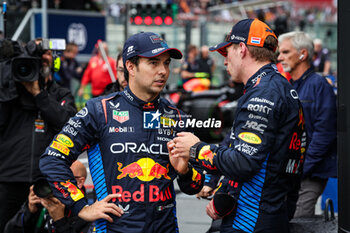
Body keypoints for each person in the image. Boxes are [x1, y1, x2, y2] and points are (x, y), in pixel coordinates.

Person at [40, 32, 204, 233]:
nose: (163, 71)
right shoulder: (99, 111)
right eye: (154, 63)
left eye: (167, 63)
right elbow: (53, 158)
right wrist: (81, 206)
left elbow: (194, 186)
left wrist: (185, 172)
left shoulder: (178, 117)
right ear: (131, 67)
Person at [168, 18, 307, 233]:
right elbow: (256, 158)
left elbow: (243, 162)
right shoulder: (277, 86)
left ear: (241, 49)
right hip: (268, 211)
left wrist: (196, 149)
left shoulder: (264, 93)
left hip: (251, 220)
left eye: (226, 52)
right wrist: (225, 193)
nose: (224, 61)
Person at [0, 38, 77, 232]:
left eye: (48, 53)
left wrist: (38, 94)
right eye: (37, 55)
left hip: (46, 183)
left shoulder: (61, 94)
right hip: (9, 181)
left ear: (55, 61)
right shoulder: (10, 91)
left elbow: (69, 124)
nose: (43, 57)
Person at [278, 31, 337, 218]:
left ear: (303, 54)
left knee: (299, 224)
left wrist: (301, 169)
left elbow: (324, 134)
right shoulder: (291, 86)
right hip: (291, 172)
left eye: (286, 52)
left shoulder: (319, 85)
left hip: (309, 173)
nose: (280, 58)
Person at [4, 161, 92, 233]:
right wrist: (29, 211)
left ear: (80, 182)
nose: (56, 184)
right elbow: (9, 230)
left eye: (62, 178)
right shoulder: (44, 202)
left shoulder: (89, 211)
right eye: (52, 178)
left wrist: (59, 219)